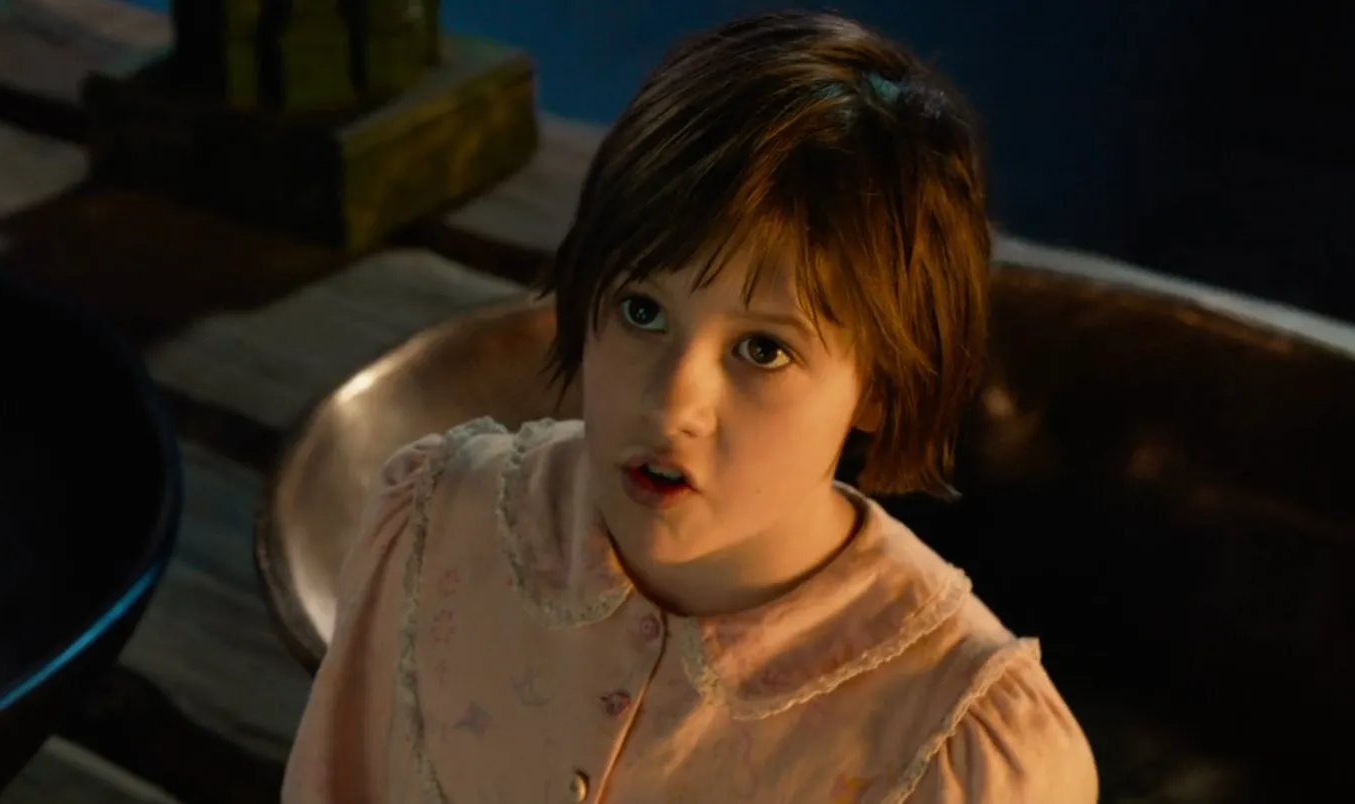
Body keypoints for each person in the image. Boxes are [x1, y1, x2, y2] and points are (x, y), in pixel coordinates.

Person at [283, 10, 1099, 803]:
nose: (673, 403)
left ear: (880, 387)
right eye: (642, 310)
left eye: (763, 350)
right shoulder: (436, 528)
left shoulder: (967, 753)